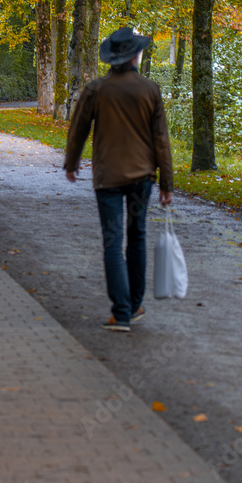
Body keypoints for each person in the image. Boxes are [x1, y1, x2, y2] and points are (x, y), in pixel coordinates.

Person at [64, 27, 174, 332]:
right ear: (136, 55)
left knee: (113, 243)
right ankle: (135, 304)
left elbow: (79, 130)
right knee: (137, 238)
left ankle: (122, 313)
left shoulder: (96, 90)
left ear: (113, 57)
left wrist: (71, 164)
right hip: (142, 179)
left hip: (108, 178)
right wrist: (167, 184)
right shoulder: (150, 89)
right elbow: (161, 140)